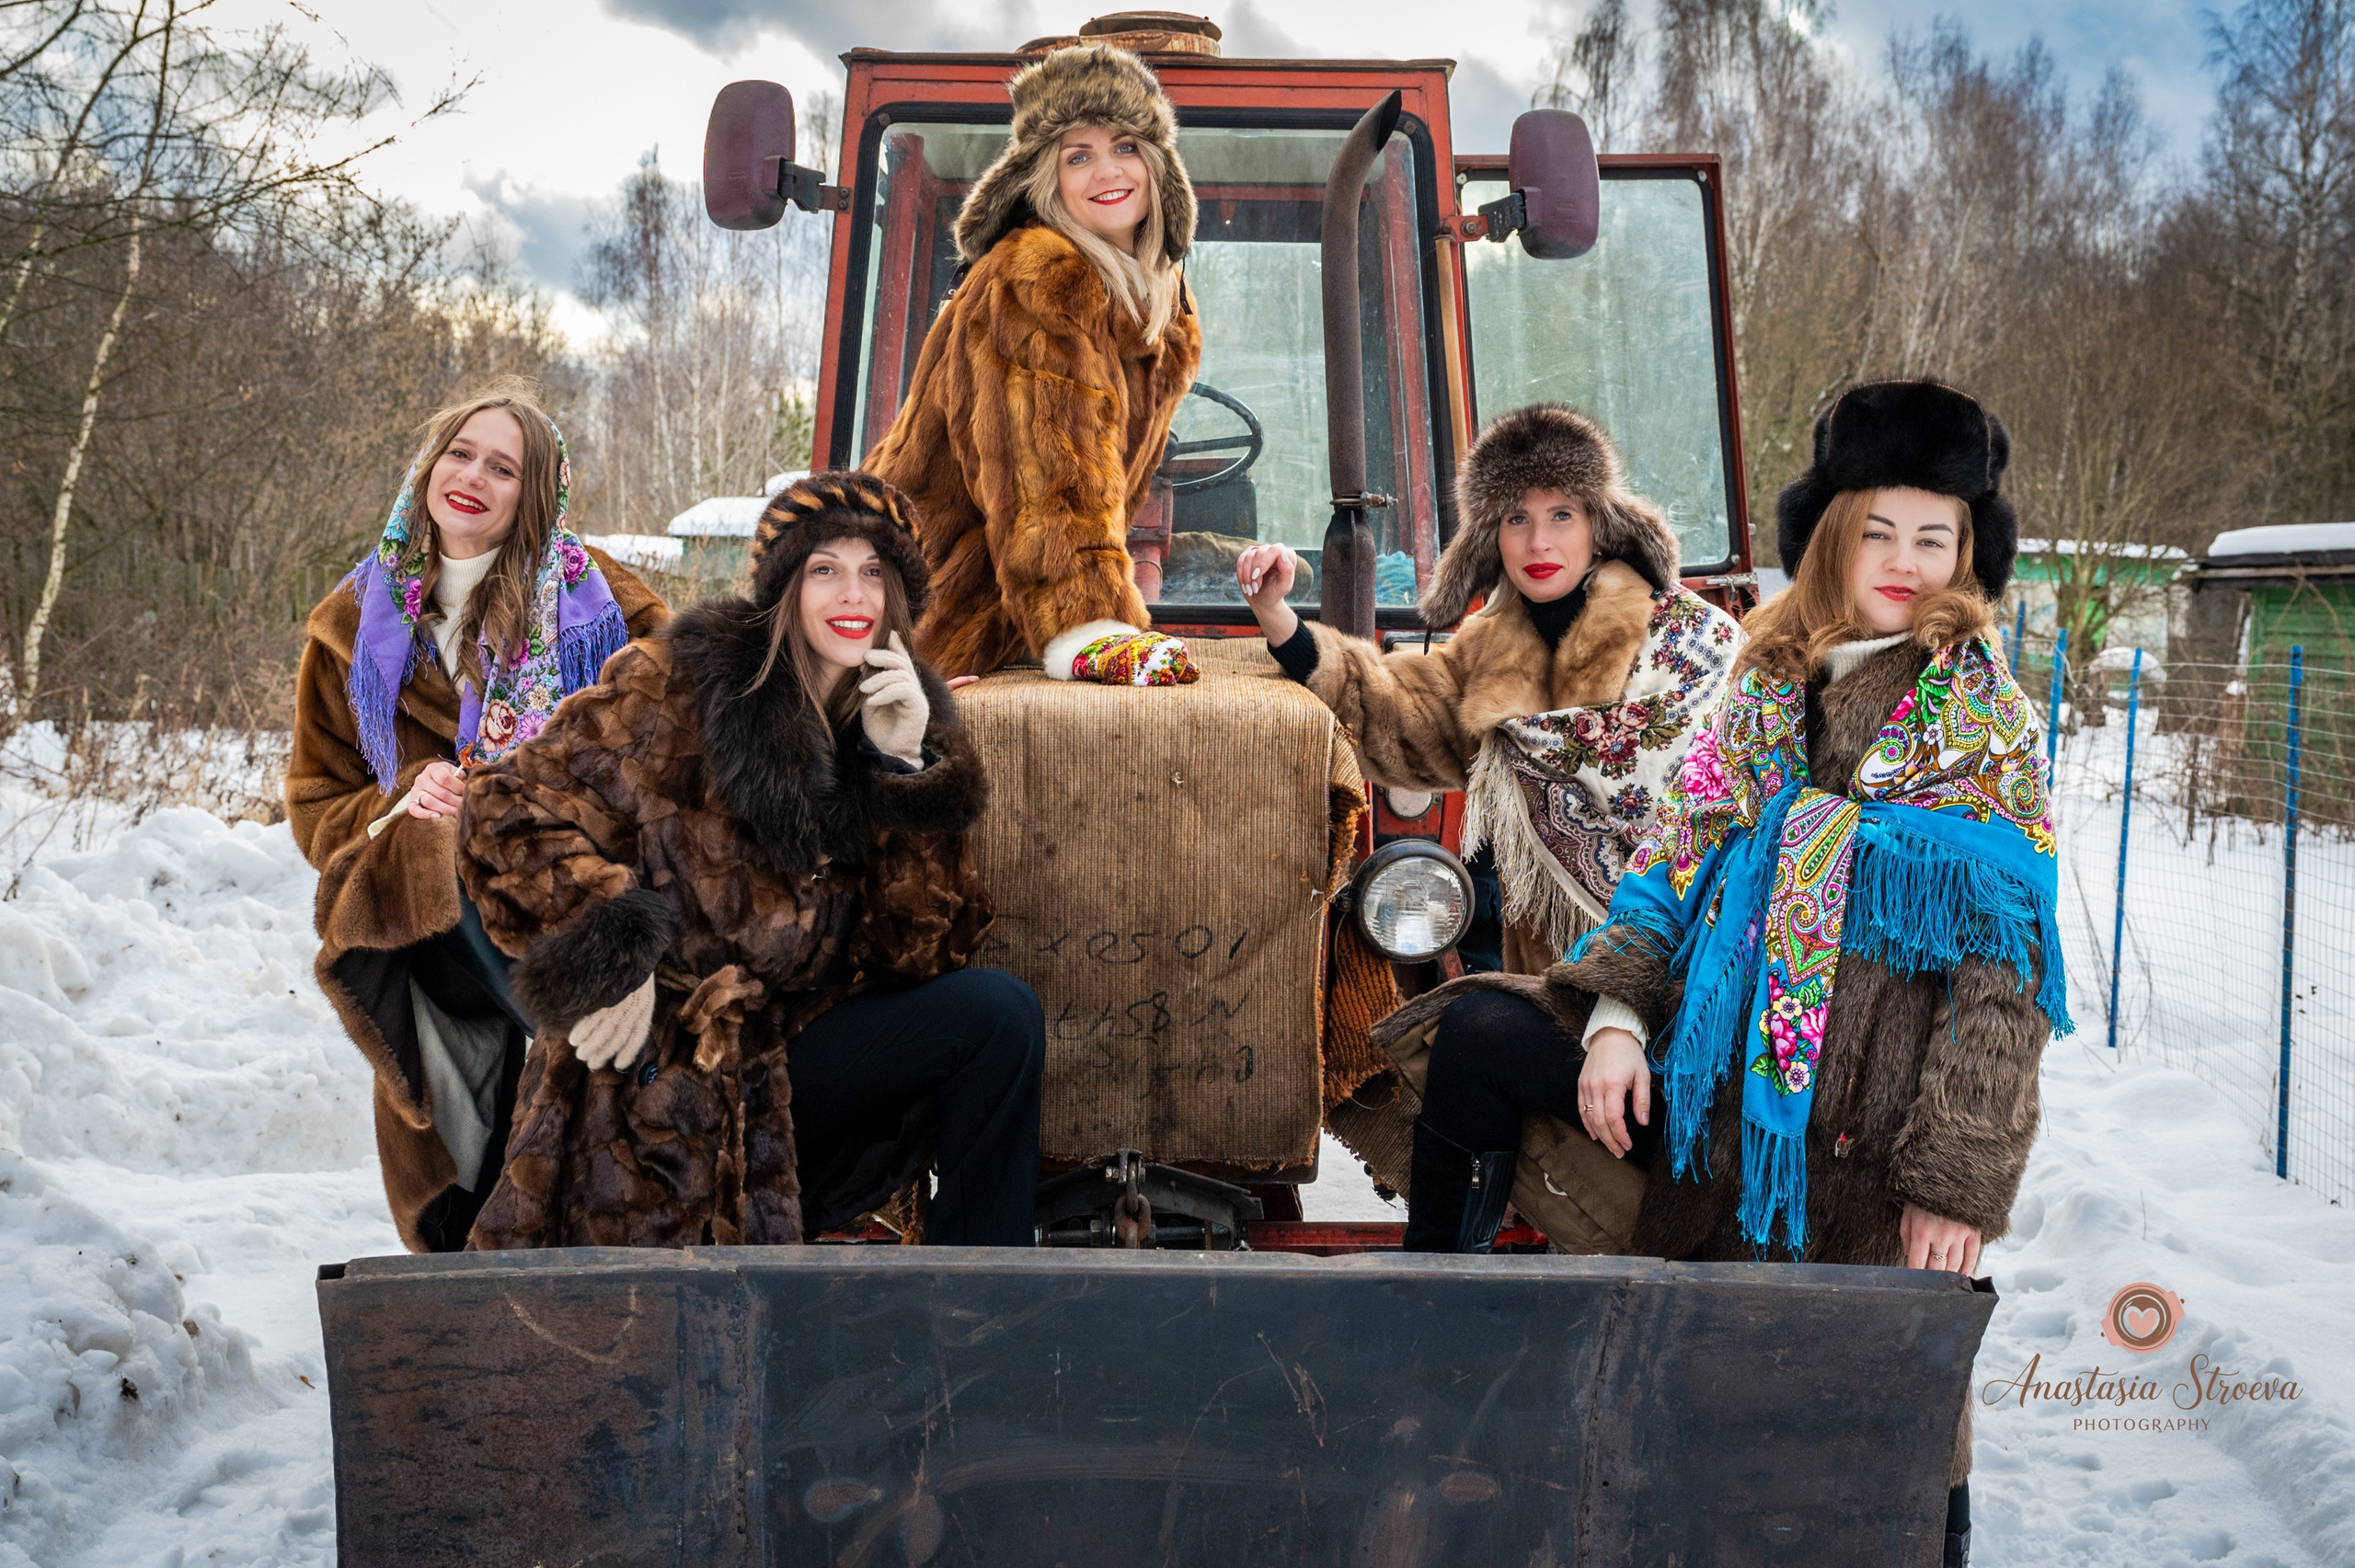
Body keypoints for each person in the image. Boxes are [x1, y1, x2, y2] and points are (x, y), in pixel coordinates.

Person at [1437, 380, 2056, 1567]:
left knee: (1887, 1450)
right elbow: (1674, 861)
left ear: (1968, 553)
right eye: (1877, 530)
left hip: (1867, 1145)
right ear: (1831, 536)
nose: (1904, 562)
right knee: (1475, 1035)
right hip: (1721, 1108)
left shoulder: (1982, 722)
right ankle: (1442, 1348)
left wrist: (1956, 1179)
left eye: (1934, 538)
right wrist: (1615, 1020)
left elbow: (2004, 990)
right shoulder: (1767, 682)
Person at [456, 473, 1043, 1249]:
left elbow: (916, 954)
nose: (853, 594)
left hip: (787, 1054)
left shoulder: (905, 717)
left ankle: (979, 1299)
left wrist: (901, 769)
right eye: (825, 569)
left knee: (999, 1017)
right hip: (662, 1051)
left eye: (874, 571)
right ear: (785, 587)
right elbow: (503, 808)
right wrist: (611, 949)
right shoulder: (678, 684)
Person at [1236, 405, 1740, 1251]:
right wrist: (1280, 620)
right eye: (1515, 517)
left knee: (1471, 1035)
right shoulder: (1489, 649)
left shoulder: (1692, 648)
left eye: (1561, 514)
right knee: (1461, 1034)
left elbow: (1718, 841)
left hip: (1690, 1005)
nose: (1538, 539)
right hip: (1566, 1000)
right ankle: (1446, 1278)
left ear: (1600, 521)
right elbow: (1395, 714)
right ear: (1490, 535)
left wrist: (1626, 1009)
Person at [287, 384, 669, 1253]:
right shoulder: (353, 624)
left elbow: (693, 728)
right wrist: (402, 797)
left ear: (535, 495)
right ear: (430, 465)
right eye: (459, 453)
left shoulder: (603, 602)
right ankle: (590, 1053)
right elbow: (315, 810)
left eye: (504, 467)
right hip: (425, 922)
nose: (472, 477)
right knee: (449, 836)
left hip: (571, 901)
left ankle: (564, 1148)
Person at [863, 42, 1203, 687]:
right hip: (917, 615)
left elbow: (1106, 488)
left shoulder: (1161, 310)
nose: (1108, 171)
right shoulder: (1039, 282)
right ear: (1049, 180)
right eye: (1079, 156)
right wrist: (1092, 628)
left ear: (1157, 164)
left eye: (1125, 146)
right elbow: (1050, 481)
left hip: (1003, 617)